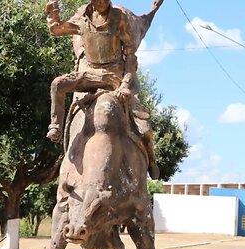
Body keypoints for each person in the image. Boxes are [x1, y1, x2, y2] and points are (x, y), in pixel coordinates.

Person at [45, 0, 163, 179]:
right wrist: (53, 13)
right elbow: (57, 29)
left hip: (114, 75)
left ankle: (151, 158)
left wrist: (125, 84)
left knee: (142, 120)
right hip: (90, 74)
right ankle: (56, 127)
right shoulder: (82, 16)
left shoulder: (120, 18)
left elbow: (130, 57)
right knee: (57, 84)